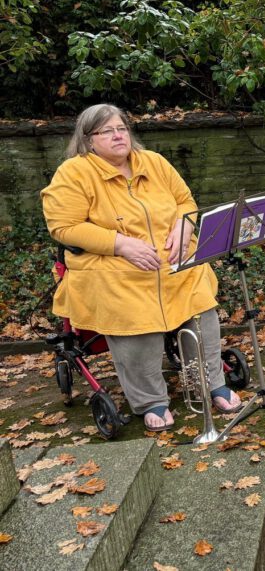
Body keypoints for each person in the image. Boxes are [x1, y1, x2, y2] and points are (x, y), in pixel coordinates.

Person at [41, 104, 241, 431]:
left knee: (202, 312)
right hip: (113, 266)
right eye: (107, 131)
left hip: (172, 260)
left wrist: (184, 227)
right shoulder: (73, 173)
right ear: (89, 140)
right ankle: (151, 401)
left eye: (122, 128)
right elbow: (63, 227)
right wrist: (120, 244)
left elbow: (184, 201)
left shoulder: (154, 162)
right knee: (136, 321)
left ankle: (210, 382)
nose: (118, 135)